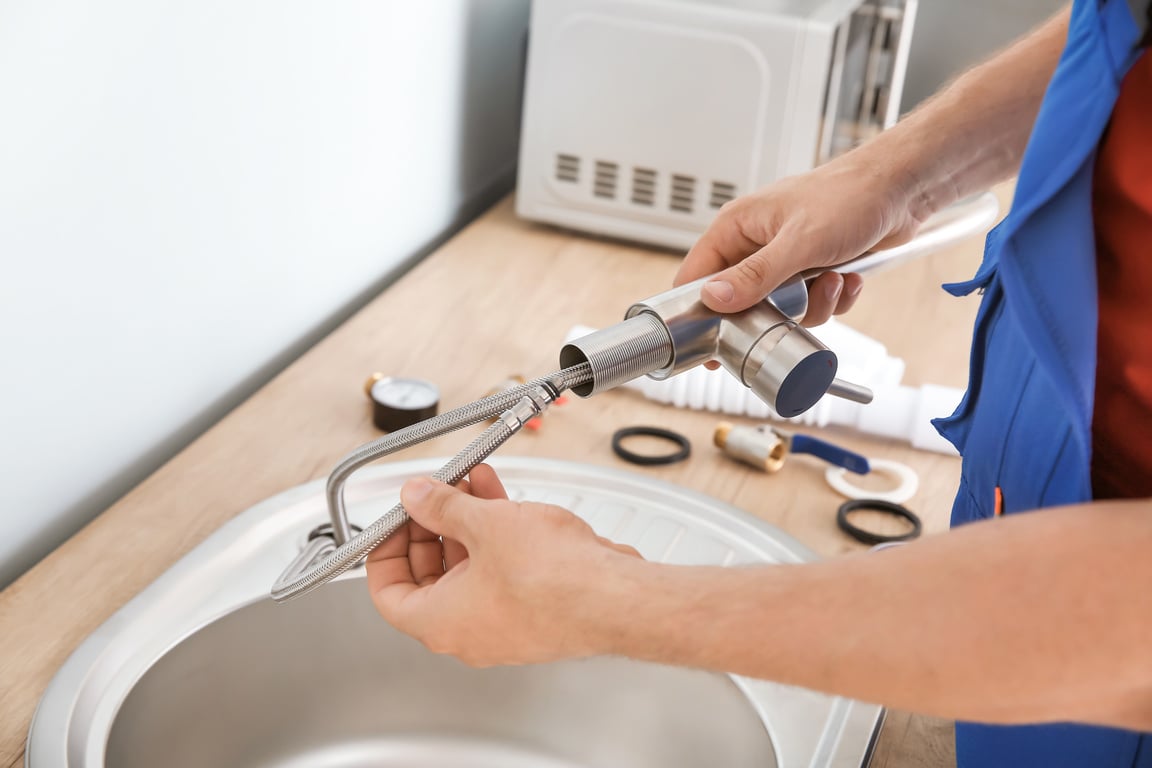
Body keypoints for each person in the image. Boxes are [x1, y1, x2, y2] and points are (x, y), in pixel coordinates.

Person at [365, 2, 1152, 765]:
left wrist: (605, 601)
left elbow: (1128, 618)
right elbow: (1118, 28)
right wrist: (896, 176)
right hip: (1009, 564)